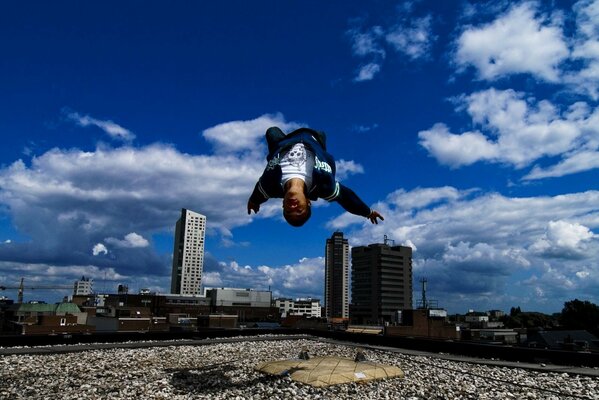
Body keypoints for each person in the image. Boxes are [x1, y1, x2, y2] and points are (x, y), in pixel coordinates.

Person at [247, 126, 384, 227]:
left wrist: (254, 201)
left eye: (288, 212)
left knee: (271, 131)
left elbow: (258, 193)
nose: (293, 208)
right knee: (321, 134)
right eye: (299, 210)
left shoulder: (270, 185)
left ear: (283, 205)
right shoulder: (324, 186)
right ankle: (318, 138)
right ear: (308, 202)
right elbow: (346, 198)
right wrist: (368, 212)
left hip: (283, 143)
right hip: (313, 140)